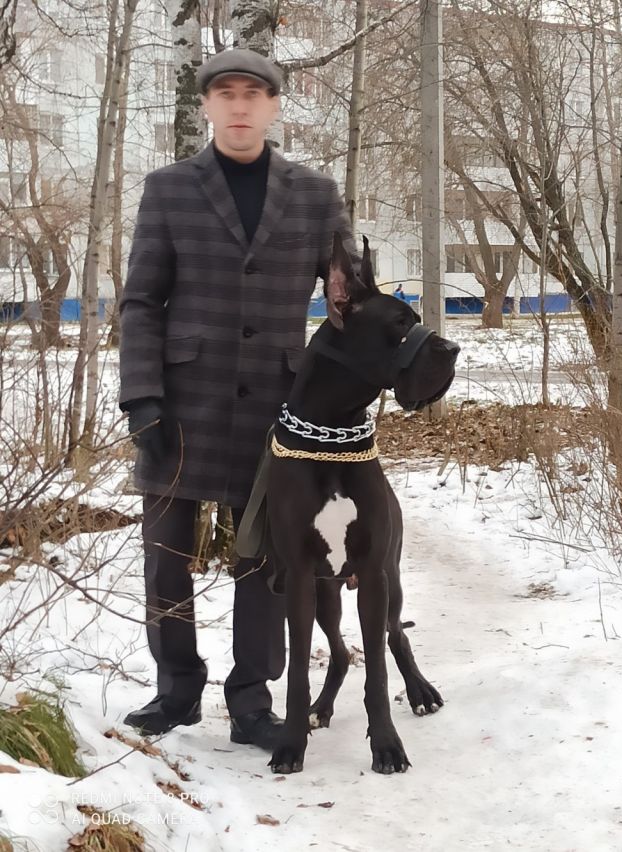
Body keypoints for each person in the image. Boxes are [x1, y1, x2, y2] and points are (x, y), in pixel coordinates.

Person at [118, 49, 358, 749]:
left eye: (254, 93)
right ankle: (176, 689)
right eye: (226, 93)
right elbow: (141, 301)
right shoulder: (169, 190)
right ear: (207, 106)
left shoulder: (315, 195)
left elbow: (348, 301)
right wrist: (142, 398)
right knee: (166, 555)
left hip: (277, 409)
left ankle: (252, 699)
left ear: (275, 105)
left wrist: (361, 385)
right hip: (180, 406)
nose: (240, 105)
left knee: (266, 559)